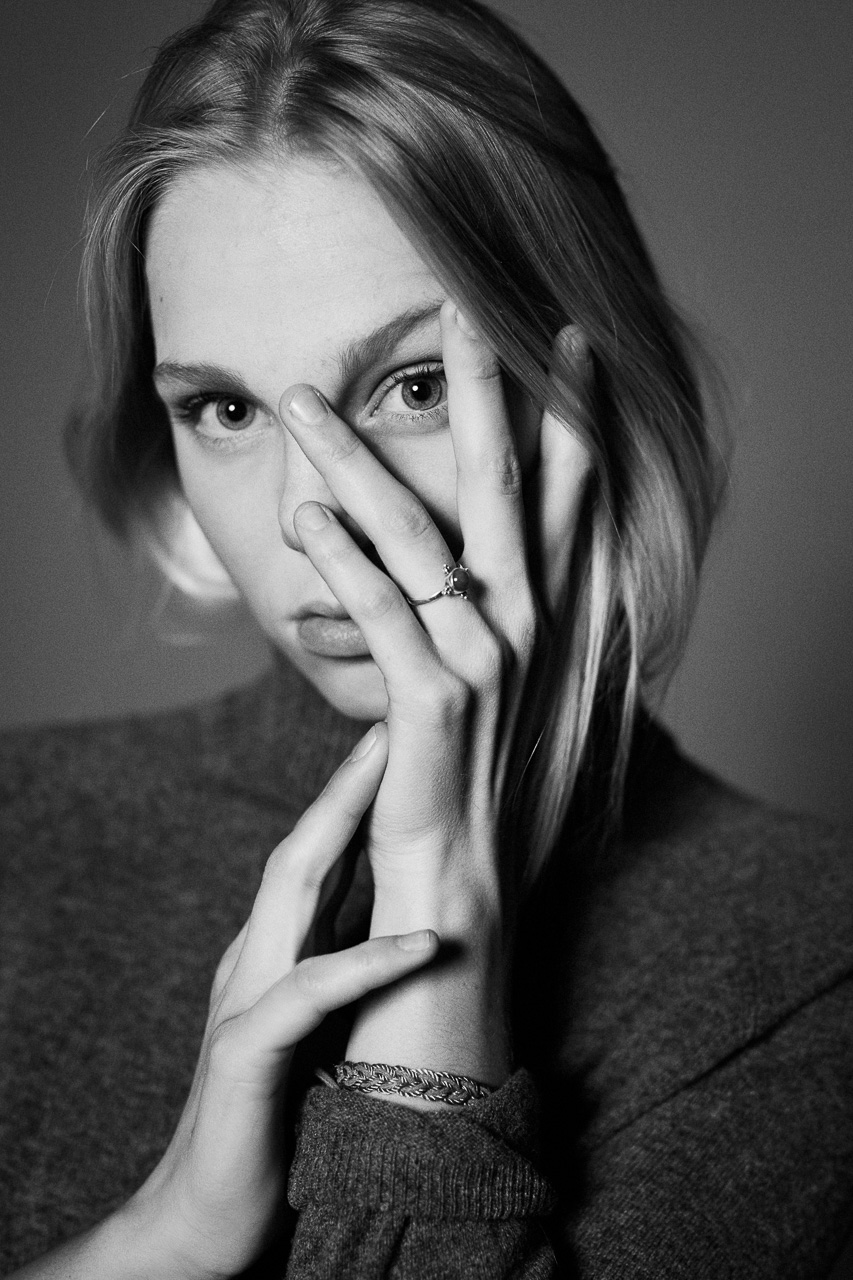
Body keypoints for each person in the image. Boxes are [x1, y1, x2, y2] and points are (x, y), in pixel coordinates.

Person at [1, 0, 851, 1275]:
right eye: (224, 407)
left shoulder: (811, 964)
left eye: (412, 385)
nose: (310, 518)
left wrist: (441, 905)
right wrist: (159, 1238)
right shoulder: (23, 831)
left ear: (591, 396)